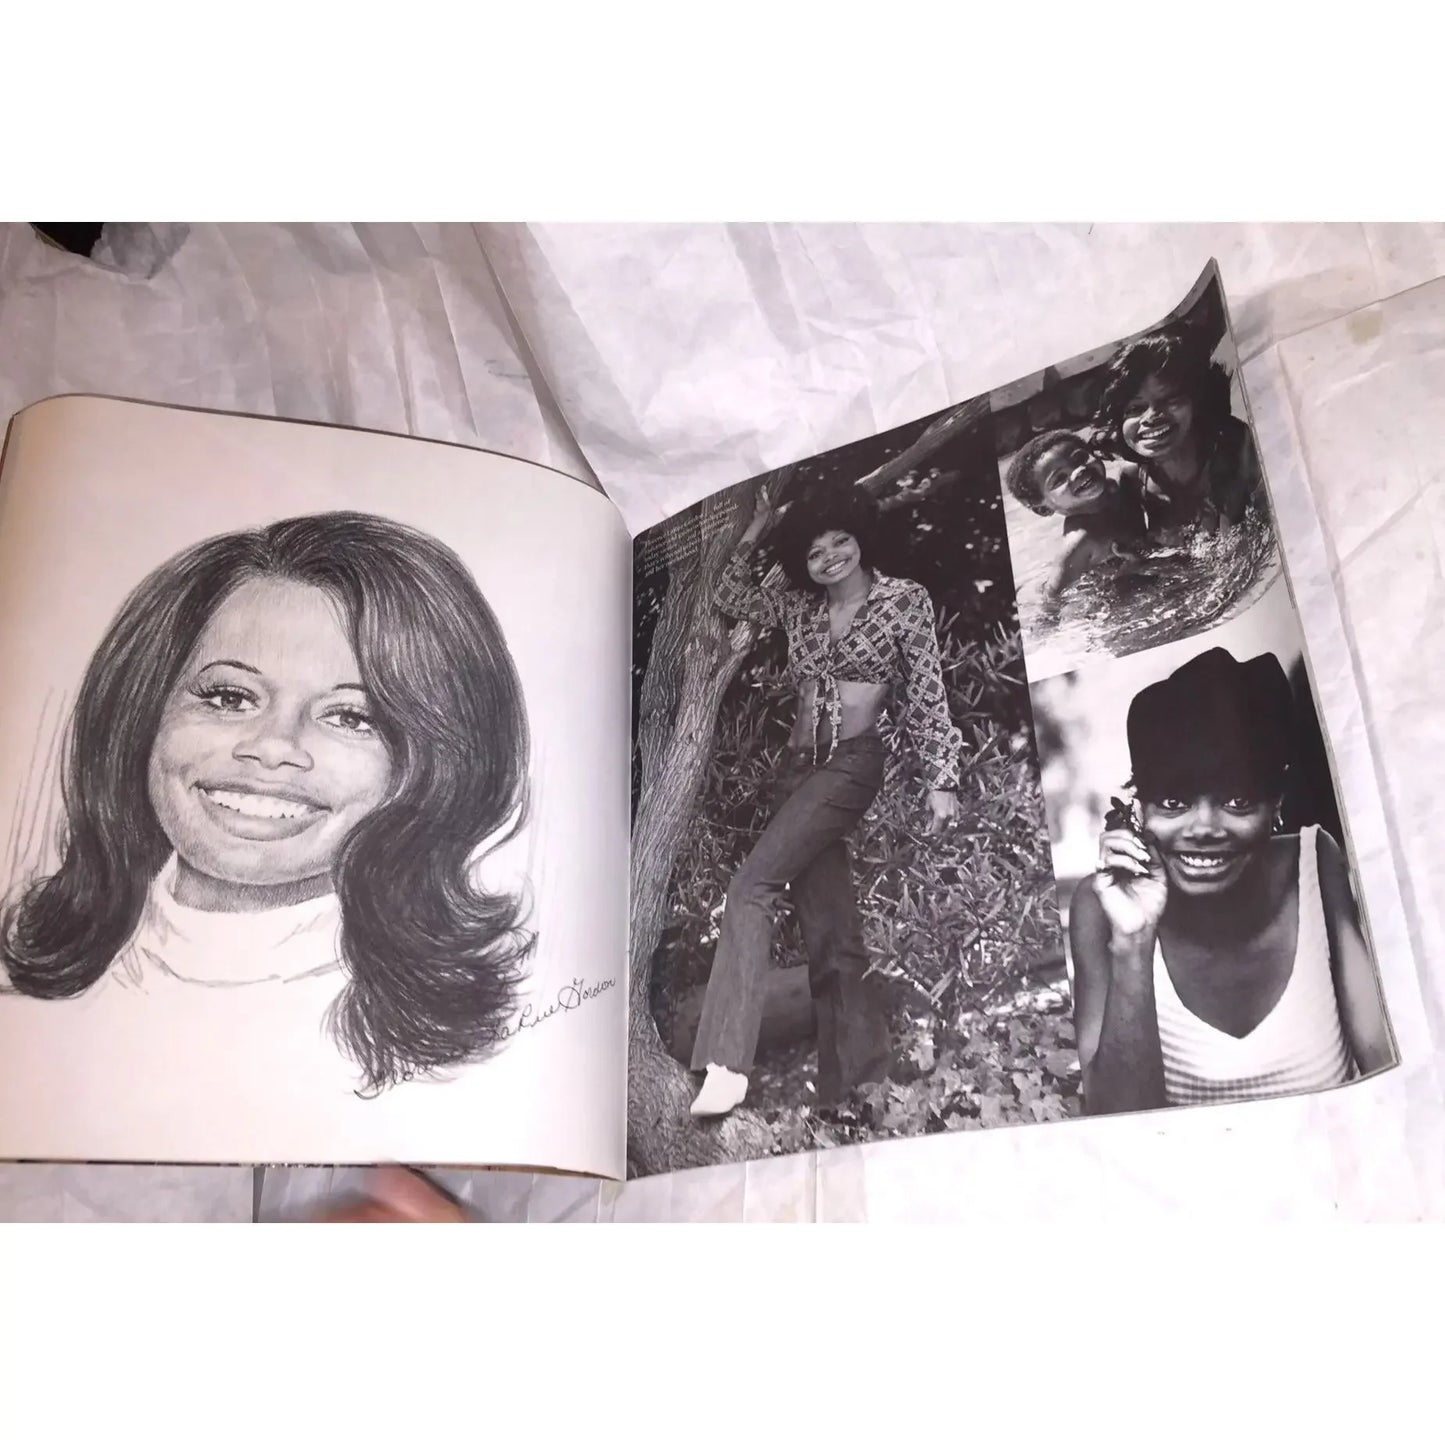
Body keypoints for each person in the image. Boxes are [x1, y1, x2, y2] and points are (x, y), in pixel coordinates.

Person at [1, 511, 533, 1097]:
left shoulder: (447, 1048)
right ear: (140, 715)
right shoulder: (34, 1014)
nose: (274, 748)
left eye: (352, 717)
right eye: (229, 697)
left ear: (431, 766)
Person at [688, 486, 961, 1117]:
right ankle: (858, 1090)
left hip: (852, 765)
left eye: (839, 540)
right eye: (813, 550)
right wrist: (756, 529)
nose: (829, 556)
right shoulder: (796, 605)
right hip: (798, 769)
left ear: (861, 537)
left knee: (751, 887)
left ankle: (726, 1065)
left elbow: (925, 691)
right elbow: (729, 595)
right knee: (832, 936)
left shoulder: (902, 601)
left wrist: (940, 776)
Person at [1070, 647, 1393, 1114]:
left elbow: (1385, 1059)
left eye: (1238, 801)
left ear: (1275, 803)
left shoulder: (1315, 861)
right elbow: (1119, 1119)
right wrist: (1135, 938)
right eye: (1174, 802)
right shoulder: (1099, 907)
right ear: (1138, 809)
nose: (1203, 828)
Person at [1092, 329, 1262, 539]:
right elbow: (1135, 552)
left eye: (1170, 400)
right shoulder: (1133, 478)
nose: (1151, 417)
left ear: (1198, 400)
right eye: (1135, 409)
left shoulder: (1235, 447)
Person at [1004, 428, 1152, 614]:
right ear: (1044, 509)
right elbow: (1052, 601)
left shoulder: (1117, 488)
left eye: (1080, 458)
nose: (1079, 471)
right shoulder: (1080, 542)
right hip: (1114, 597)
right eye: (1059, 479)